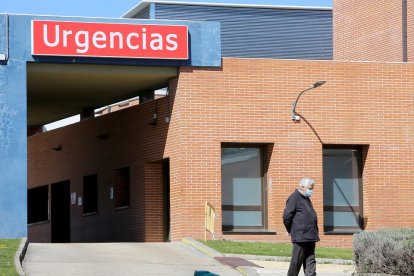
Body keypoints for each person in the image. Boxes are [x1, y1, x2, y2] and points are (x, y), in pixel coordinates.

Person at [283, 177, 320, 276]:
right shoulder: (294, 197)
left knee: (310, 259)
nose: (311, 190)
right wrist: (291, 230)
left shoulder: (306, 198)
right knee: (296, 261)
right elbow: (287, 216)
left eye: (312, 188)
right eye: (310, 188)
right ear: (302, 187)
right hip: (300, 235)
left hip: (311, 235)